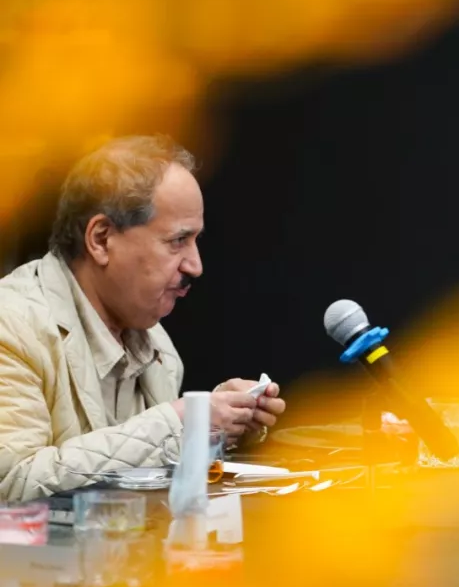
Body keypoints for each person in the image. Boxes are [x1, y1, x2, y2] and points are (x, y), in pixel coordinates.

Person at [0, 136, 286, 501]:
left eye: (196, 240)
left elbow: (147, 481)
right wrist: (181, 422)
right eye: (178, 240)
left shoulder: (158, 345)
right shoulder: (10, 324)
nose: (196, 265)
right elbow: (12, 483)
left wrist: (217, 427)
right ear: (101, 239)